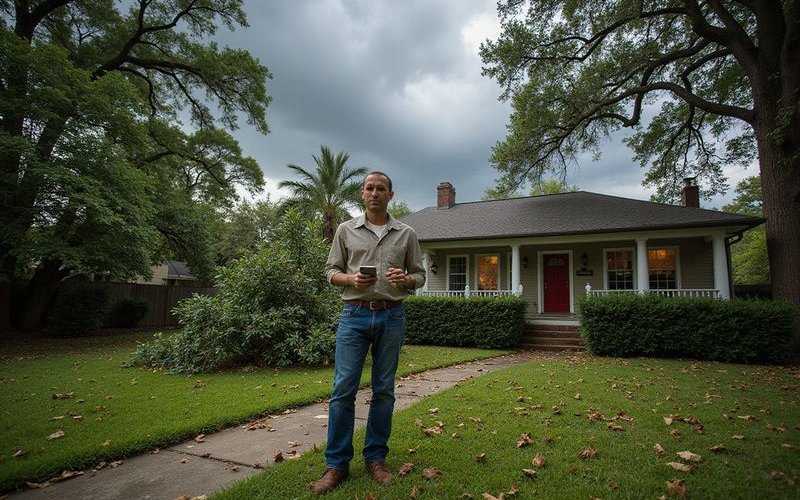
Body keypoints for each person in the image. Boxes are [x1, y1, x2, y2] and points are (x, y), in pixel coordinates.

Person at [311, 171, 426, 494]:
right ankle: (337, 464)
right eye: (369, 188)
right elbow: (330, 271)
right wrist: (350, 279)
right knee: (342, 390)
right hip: (354, 315)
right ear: (362, 194)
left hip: (392, 316)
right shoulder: (346, 230)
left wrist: (407, 279)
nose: (375, 193)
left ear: (391, 194)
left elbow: (420, 275)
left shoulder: (406, 234)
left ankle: (376, 459)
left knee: (384, 390)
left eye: (381, 188)